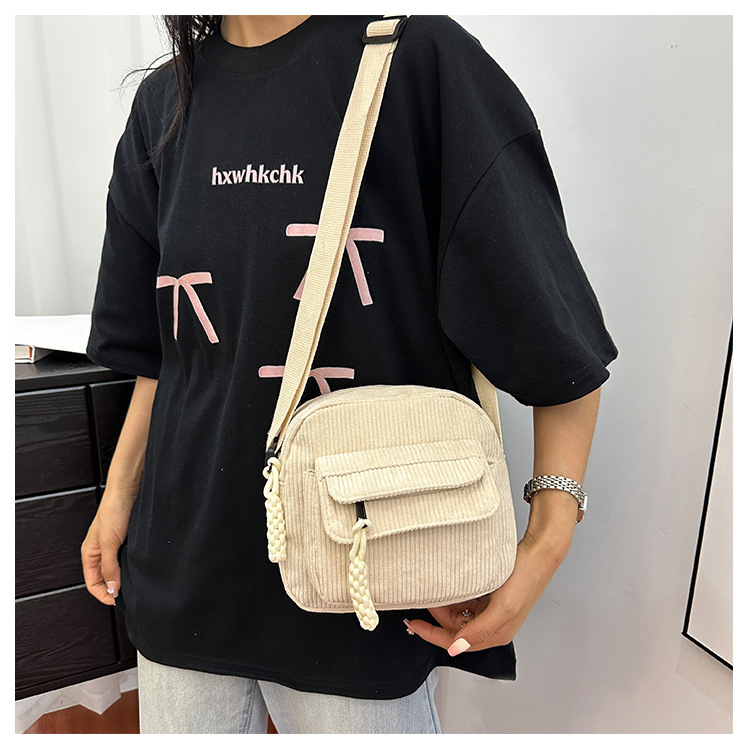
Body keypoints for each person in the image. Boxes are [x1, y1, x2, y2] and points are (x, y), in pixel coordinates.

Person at [82, 14, 618, 734]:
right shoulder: (164, 103)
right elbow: (167, 349)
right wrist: (119, 496)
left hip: (362, 576)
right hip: (185, 567)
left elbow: (554, 335)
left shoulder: (418, 64)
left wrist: (547, 540)